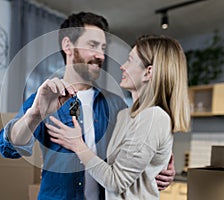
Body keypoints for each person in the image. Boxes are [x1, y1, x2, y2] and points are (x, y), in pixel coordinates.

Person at [0, 12, 175, 200]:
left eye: (103, 47)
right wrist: (34, 115)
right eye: (92, 45)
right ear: (68, 46)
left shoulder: (116, 105)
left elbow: (135, 152)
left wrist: (158, 166)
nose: (100, 55)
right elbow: (9, 149)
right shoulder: (42, 99)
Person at [46, 34, 191, 199]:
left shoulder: (154, 118)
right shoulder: (124, 115)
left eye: (130, 60)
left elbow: (116, 182)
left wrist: (77, 144)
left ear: (148, 73)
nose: (122, 66)